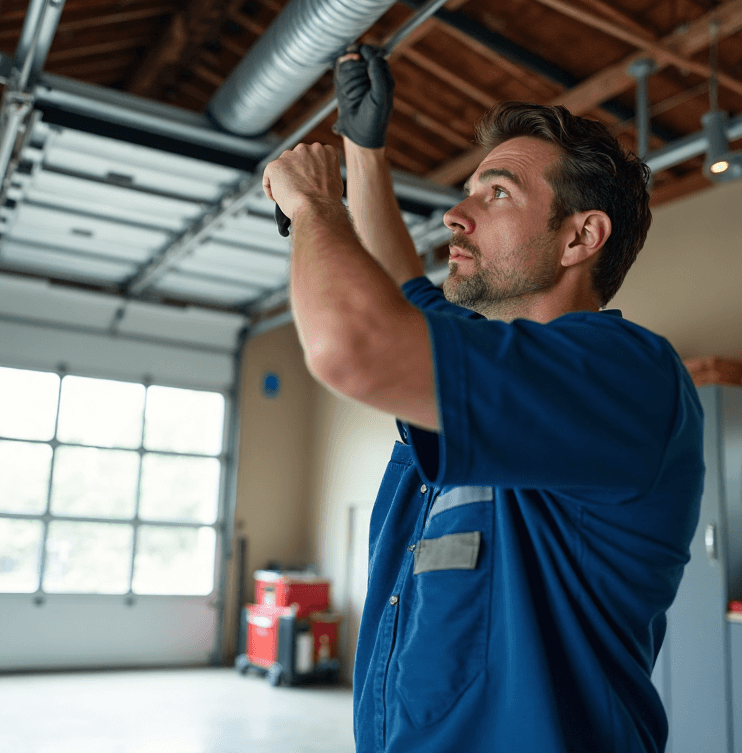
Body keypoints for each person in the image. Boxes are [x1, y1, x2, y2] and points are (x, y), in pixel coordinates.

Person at [261, 44, 705, 753]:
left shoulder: (625, 376)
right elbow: (404, 294)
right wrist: (365, 151)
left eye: (496, 192)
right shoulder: (497, 377)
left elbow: (353, 343)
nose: (456, 217)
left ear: (580, 236)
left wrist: (317, 205)